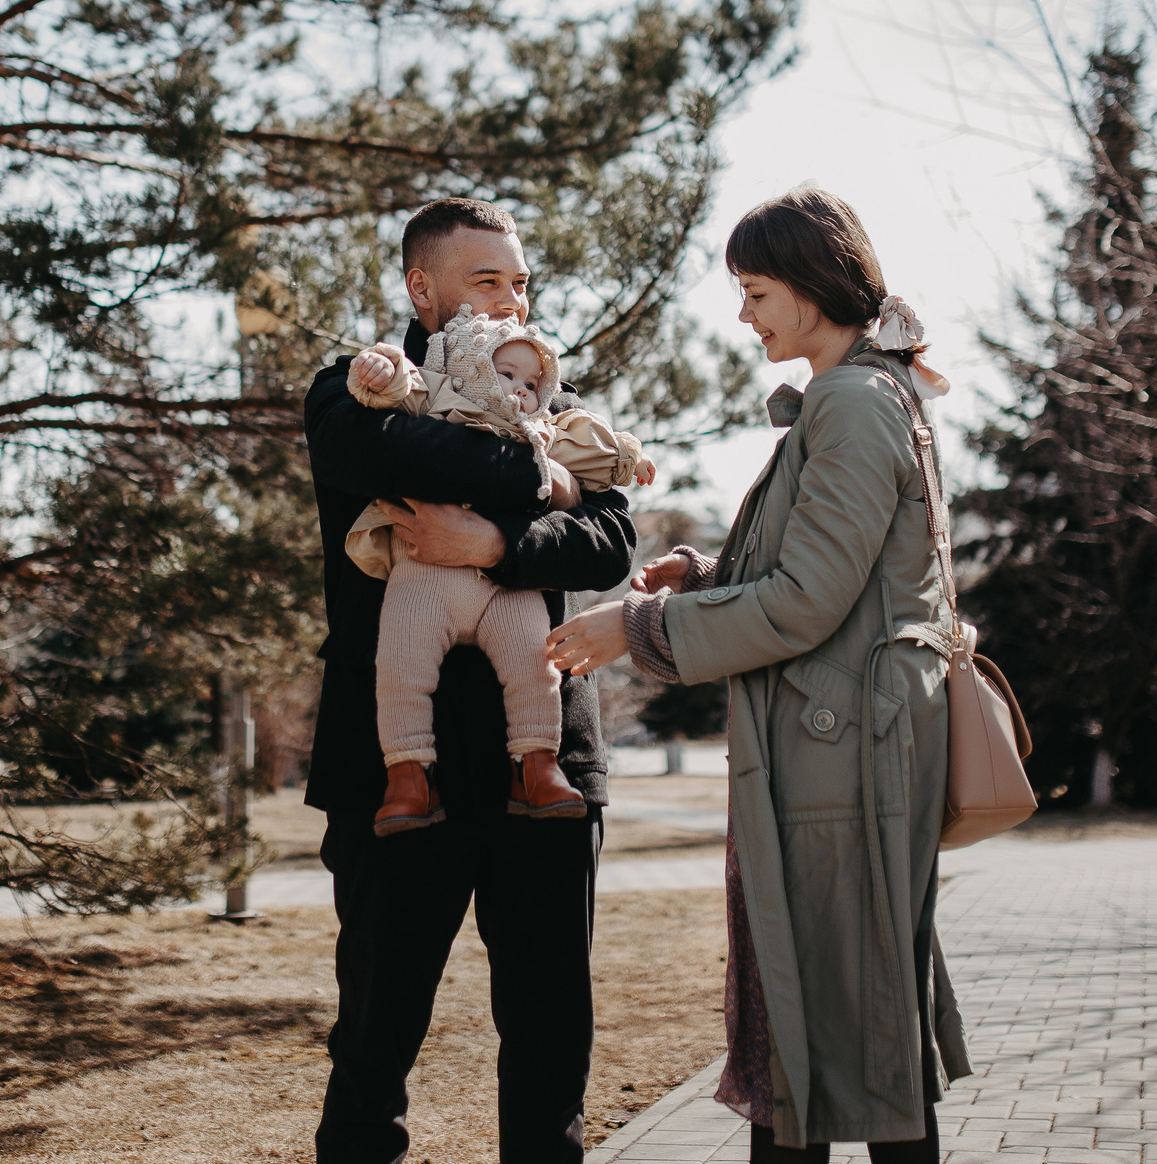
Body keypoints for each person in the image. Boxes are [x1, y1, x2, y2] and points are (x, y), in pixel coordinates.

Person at [549, 187, 969, 1164]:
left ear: (814, 286)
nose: (743, 315)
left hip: (842, 757)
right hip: (843, 749)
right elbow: (832, 580)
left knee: (831, 1023)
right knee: (838, 1023)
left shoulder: (853, 401)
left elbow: (807, 604)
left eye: (756, 291)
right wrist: (702, 576)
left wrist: (642, 628)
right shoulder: (860, 396)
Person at [304, 196, 638, 1164]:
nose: (511, 297)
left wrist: (496, 542)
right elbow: (383, 450)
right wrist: (547, 481)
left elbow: (613, 537)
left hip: (547, 763)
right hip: (394, 774)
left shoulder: (560, 401)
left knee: (549, 1045)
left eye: (520, 280)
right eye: (485, 279)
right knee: (373, 1041)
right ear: (423, 289)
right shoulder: (354, 389)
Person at [344, 308, 652, 833]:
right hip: (425, 578)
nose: (521, 391)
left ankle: (537, 767)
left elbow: (592, 462)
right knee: (401, 666)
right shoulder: (440, 397)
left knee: (537, 664)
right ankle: (408, 774)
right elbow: (397, 393)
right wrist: (381, 370)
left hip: (509, 587)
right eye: (505, 374)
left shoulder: (545, 430)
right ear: (469, 368)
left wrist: (624, 459)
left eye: (532, 383)